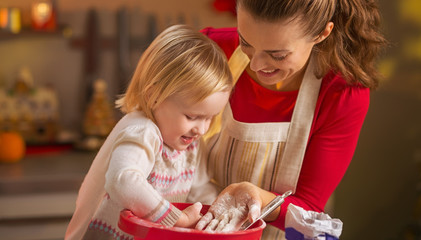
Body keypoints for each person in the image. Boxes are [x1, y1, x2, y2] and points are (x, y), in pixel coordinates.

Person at [191, 0, 387, 238]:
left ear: (322, 33)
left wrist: (257, 198)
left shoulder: (342, 93)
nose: (255, 64)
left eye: (278, 55)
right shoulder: (211, 49)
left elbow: (310, 207)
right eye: (246, 43)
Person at [65, 24, 233, 240]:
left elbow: (199, 189)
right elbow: (123, 181)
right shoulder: (141, 131)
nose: (201, 129)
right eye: (192, 116)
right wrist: (177, 220)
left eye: (210, 117)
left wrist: (214, 217)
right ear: (154, 96)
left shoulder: (187, 141)